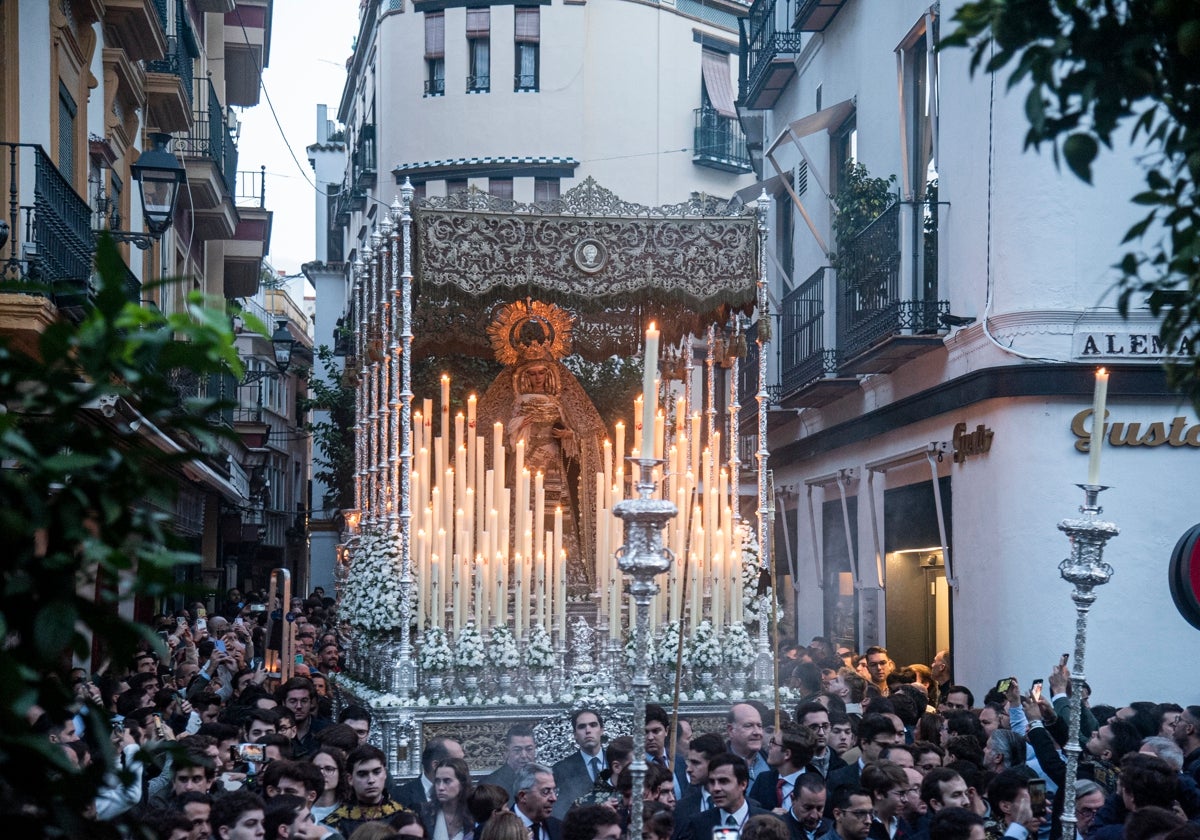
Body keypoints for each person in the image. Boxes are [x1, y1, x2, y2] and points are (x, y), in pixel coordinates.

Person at [675, 752, 779, 840]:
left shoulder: (770, 823)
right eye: (712, 782)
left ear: (743, 784)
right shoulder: (697, 824)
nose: (716, 788)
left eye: (723, 781)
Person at [324, 745, 407, 836]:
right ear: (350, 779)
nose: (371, 780)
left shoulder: (404, 818)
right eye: (362, 774)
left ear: (385, 774)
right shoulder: (334, 824)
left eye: (376, 772)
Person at [748, 723, 817, 811]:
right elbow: (751, 814)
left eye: (774, 742)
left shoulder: (816, 787)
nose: (770, 746)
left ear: (787, 754)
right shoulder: (763, 780)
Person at [553, 708, 606, 819]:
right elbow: (559, 810)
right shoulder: (561, 769)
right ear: (575, 735)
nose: (588, 730)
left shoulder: (616, 762)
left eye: (593, 725)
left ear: (601, 730)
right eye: (582, 727)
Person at [393, 737, 465, 809]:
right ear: (436, 765)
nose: (464, 767)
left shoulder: (466, 794)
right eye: (458, 762)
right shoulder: (400, 796)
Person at [677, 733, 726, 825]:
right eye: (689, 762)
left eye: (695, 763)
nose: (689, 769)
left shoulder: (744, 806)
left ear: (714, 763)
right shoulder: (681, 809)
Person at [422, 757, 473, 840]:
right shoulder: (425, 813)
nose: (440, 787)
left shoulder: (473, 813)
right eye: (437, 781)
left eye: (447, 781)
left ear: (462, 783)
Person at [484, 725, 539, 802]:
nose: (524, 755)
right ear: (506, 751)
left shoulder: (544, 778)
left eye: (529, 749)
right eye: (517, 750)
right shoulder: (491, 784)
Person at [860, 762, 913, 840]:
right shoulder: (861, 828)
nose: (905, 800)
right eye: (900, 793)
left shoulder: (902, 825)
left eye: (905, 793)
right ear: (878, 793)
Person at [796, 702, 848, 780]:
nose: (821, 733)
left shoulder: (842, 766)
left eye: (825, 726)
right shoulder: (794, 767)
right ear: (800, 729)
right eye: (814, 727)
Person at [980, 770, 1038, 840]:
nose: (1035, 810)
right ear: (1005, 806)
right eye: (1027, 804)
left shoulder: (1031, 831)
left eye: (1036, 802)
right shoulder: (987, 834)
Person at [513, 763, 561, 840]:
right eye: (545, 791)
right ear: (522, 796)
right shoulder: (499, 829)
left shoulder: (559, 827)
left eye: (554, 791)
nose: (554, 798)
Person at [728, 703, 770, 784]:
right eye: (748, 726)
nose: (757, 732)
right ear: (731, 730)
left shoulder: (772, 761)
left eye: (759, 726)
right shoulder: (716, 765)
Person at [783, 773, 831, 840]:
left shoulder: (833, 830)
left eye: (819, 808)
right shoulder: (778, 830)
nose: (814, 816)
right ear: (793, 799)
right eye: (808, 808)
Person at [311, 747, 349, 824]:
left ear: (340, 773)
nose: (322, 773)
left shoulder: (350, 810)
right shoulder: (300, 808)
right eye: (316, 769)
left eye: (329, 769)